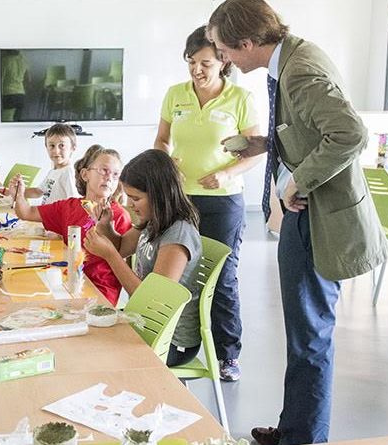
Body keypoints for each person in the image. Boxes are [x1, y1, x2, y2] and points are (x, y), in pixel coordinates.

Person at [207, 1, 388, 444]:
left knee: (310, 337)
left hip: (316, 215)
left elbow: (349, 133)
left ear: (247, 42)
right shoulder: (290, 58)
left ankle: (304, 438)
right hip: (301, 210)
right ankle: (295, 429)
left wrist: (297, 182)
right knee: (303, 335)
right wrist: (257, 144)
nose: (225, 60)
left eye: (225, 50)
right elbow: (307, 128)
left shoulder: (300, 69)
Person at [154, 25, 261, 382]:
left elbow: (255, 151)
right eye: (191, 62)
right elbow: (162, 141)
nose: (196, 70)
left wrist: (228, 173)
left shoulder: (240, 99)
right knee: (175, 273)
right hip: (180, 200)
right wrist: (164, 163)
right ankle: (173, 345)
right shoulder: (175, 95)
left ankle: (228, 355)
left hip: (223, 201)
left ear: (223, 62)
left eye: (205, 63)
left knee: (222, 278)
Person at [83, 150, 203, 366]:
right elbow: (121, 247)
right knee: (82, 330)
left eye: (136, 198)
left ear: (159, 195)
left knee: (92, 352)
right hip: (144, 321)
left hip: (170, 339)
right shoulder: (154, 221)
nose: (131, 203)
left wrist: (109, 255)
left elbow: (152, 302)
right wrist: (106, 226)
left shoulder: (178, 235)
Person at [11, 144, 132, 305]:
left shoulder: (120, 216)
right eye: (104, 170)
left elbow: (120, 260)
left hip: (98, 292)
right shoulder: (69, 207)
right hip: (67, 283)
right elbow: (26, 212)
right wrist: (19, 195)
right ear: (85, 174)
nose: (109, 177)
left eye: (116, 175)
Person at [0, 123, 80, 204]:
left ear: (73, 147)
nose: (56, 151)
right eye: (52, 146)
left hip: (56, 216)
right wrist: (9, 192)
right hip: (46, 214)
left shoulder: (68, 172)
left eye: (62, 145)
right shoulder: (53, 171)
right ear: (46, 147)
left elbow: (74, 203)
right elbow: (38, 192)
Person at [1, 49, 29, 122]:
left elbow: (1, 79)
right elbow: (28, 79)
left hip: (9, 94)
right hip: (21, 95)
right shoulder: (23, 61)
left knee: (7, 121)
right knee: (18, 121)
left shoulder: (5, 61)